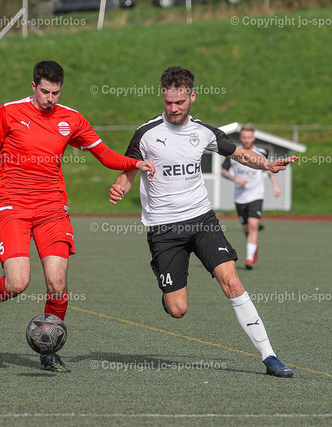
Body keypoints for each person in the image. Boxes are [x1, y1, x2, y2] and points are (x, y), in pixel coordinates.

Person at [0, 60, 155, 373]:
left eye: (56, 92)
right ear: (34, 87)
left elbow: (104, 154)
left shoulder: (71, 119)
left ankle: (48, 350)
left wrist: (134, 164)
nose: (50, 98)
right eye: (45, 91)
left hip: (52, 209)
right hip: (13, 207)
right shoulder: (8, 112)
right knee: (17, 283)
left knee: (57, 284)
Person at [109, 66, 297, 378]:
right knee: (178, 309)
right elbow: (129, 169)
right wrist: (120, 186)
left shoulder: (204, 132)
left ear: (192, 97)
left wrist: (267, 164)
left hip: (201, 220)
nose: (174, 108)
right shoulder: (146, 133)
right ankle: (168, 291)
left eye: (180, 102)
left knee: (232, 282)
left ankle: (270, 356)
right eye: (169, 102)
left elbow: (239, 154)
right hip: (164, 228)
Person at [220, 123, 282, 270]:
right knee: (247, 229)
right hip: (240, 197)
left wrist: (275, 185)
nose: (246, 140)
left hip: (256, 195)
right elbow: (223, 171)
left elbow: (269, 169)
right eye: (244, 137)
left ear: (253, 137)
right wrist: (235, 179)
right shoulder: (234, 152)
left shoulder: (261, 153)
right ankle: (254, 246)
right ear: (240, 137)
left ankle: (249, 259)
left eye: (249, 137)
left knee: (254, 226)